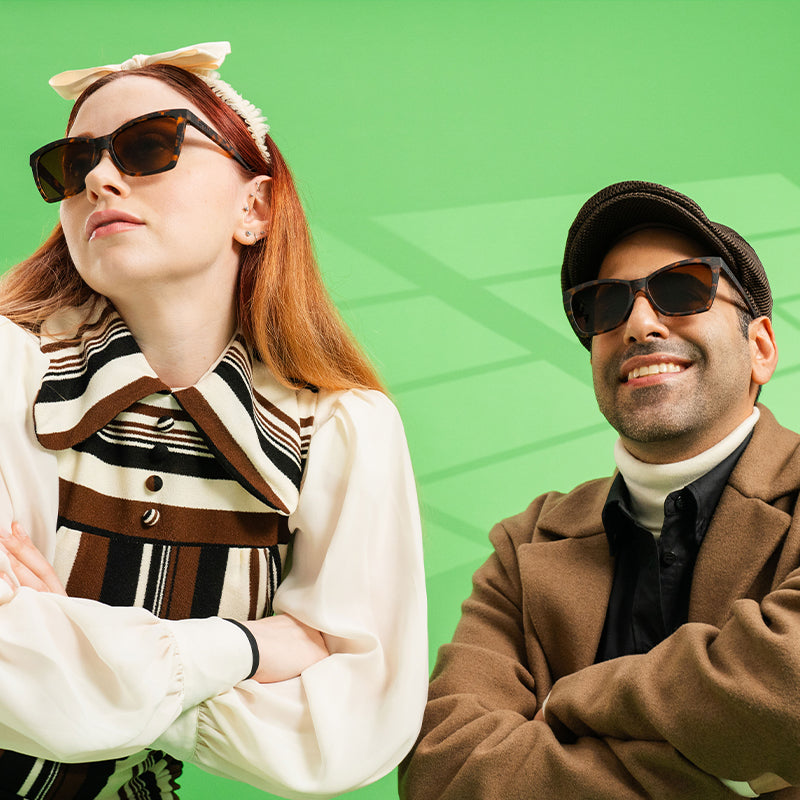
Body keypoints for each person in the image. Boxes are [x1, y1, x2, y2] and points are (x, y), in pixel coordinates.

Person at [0, 42, 427, 799]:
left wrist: (80, 663)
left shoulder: (343, 427)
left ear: (254, 208)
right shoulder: (9, 369)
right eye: (71, 166)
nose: (99, 178)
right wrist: (253, 645)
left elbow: (347, 737)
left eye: (147, 146)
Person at [400, 180, 800, 799]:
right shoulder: (523, 546)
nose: (639, 323)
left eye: (682, 288)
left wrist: (566, 702)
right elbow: (445, 767)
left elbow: (787, 693)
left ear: (761, 348)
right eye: (607, 306)